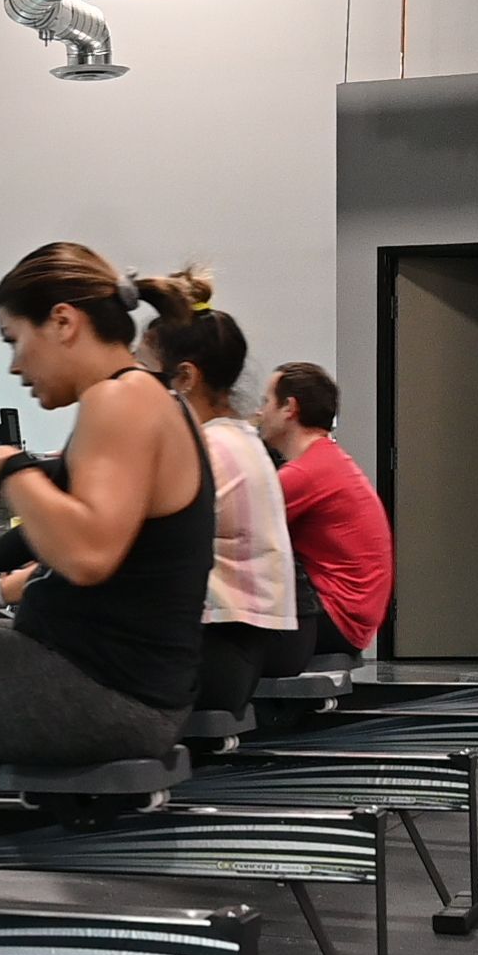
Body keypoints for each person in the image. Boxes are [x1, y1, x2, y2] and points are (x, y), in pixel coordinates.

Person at [0, 243, 215, 792]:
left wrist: (12, 465)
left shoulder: (119, 399)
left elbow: (86, 554)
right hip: (119, 691)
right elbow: (69, 531)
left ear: (62, 321)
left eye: (14, 340)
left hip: (97, 693)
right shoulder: (146, 399)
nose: (14, 364)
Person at [137, 300, 308, 709]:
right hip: (230, 654)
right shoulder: (238, 440)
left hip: (208, 660)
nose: (129, 383)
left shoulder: (204, 450)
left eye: (140, 369)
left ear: (185, 378)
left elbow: (118, 546)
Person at [253, 361, 393, 657]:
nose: (259, 413)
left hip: (335, 618)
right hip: (353, 620)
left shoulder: (305, 473)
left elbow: (239, 525)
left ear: (289, 408)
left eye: (266, 402)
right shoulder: (328, 459)